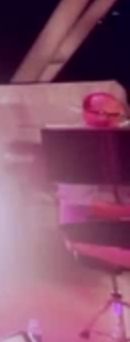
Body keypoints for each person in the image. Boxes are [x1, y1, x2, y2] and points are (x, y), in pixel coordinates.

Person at [56, 91, 130, 267]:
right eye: (102, 113)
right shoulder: (73, 148)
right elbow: (84, 207)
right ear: (85, 114)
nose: (109, 121)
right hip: (86, 231)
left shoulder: (121, 143)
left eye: (116, 115)